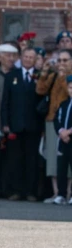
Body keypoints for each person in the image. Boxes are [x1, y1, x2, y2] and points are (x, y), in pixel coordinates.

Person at [1, 48, 41, 201]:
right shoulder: (11, 76)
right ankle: (15, 191)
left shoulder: (39, 76)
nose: (28, 59)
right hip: (15, 125)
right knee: (14, 159)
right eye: (26, 56)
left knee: (31, 160)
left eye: (31, 57)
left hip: (33, 126)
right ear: (21, 57)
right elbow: (5, 102)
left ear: (35, 59)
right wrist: (5, 122)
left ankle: (31, 192)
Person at [37, 49, 72, 204]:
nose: (61, 64)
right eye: (59, 61)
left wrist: (64, 78)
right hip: (53, 120)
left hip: (68, 122)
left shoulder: (67, 79)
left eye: (65, 60)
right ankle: (57, 193)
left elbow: (68, 93)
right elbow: (40, 90)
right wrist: (44, 72)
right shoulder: (54, 76)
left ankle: (69, 193)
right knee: (54, 158)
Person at [0, 43, 18, 199]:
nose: (11, 59)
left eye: (13, 55)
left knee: (10, 160)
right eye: (7, 55)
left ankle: (8, 189)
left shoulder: (17, 74)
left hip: (12, 125)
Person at [53, 75, 72, 205]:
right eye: (70, 87)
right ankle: (61, 194)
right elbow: (57, 120)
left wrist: (68, 132)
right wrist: (61, 132)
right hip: (63, 141)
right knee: (61, 168)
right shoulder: (64, 104)